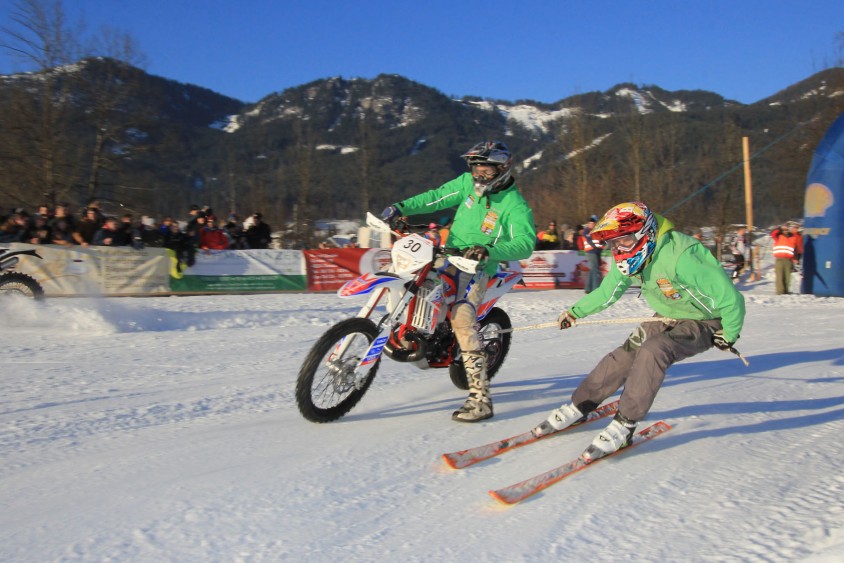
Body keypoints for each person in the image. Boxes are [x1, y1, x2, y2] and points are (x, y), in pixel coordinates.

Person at [537, 202, 745, 461]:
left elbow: (731, 299)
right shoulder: (628, 259)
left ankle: (625, 424)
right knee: (626, 354)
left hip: (707, 321)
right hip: (667, 315)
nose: (617, 249)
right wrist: (575, 312)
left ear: (642, 234)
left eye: (622, 241)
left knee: (653, 350)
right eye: (612, 244)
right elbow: (607, 292)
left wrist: (730, 333)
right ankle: (580, 404)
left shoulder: (681, 256)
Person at [381, 140, 536, 422]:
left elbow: (525, 244)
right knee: (408, 280)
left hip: (477, 265)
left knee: (462, 319)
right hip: (446, 254)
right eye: (475, 168)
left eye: (485, 170)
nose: (479, 175)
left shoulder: (515, 205)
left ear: (502, 169)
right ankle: (412, 334)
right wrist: (399, 207)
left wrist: (489, 250)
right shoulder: (466, 184)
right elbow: (435, 197)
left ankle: (480, 399)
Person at [771, 224, 800, 294]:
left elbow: (795, 249)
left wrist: (795, 258)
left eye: (786, 229)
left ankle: (786, 291)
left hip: (788, 260)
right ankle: (780, 291)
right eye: (783, 229)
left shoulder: (792, 237)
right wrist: (779, 228)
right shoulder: (778, 236)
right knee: (780, 277)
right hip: (779, 259)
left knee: (787, 277)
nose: (785, 231)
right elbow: (773, 233)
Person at [580, 214, 604, 293]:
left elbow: (600, 240)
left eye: (594, 223)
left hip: (596, 252)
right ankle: (595, 288)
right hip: (591, 252)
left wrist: (602, 246)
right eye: (591, 223)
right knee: (595, 269)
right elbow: (590, 241)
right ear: (589, 223)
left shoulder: (595, 231)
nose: (592, 224)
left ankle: (588, 288)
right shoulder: (586, 231)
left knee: (592, 270)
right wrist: (598, 247)